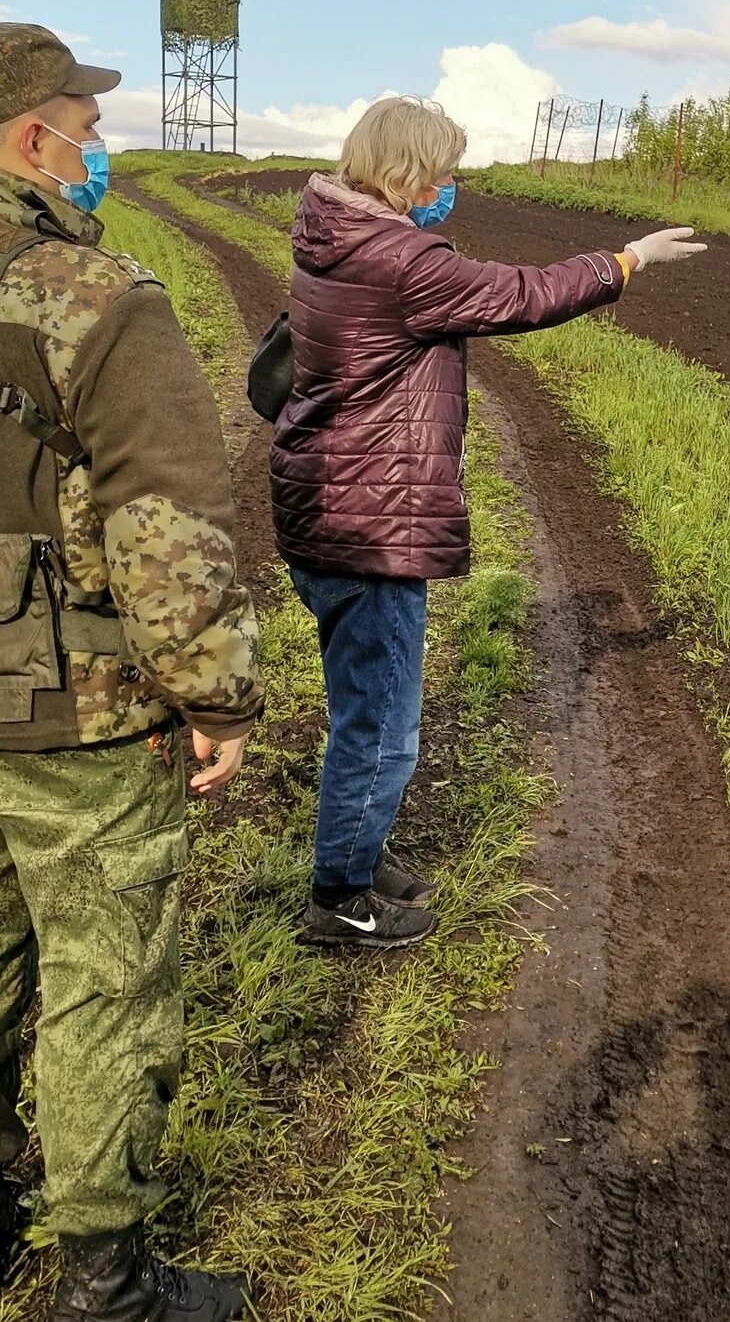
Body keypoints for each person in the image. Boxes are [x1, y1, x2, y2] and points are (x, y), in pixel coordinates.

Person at [0, 24, 263, 1320]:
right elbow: (172, 529)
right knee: (105, 984)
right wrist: (219, 699)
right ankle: (107, 1283)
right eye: (88, 124)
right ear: (34, 138)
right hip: (72, 722)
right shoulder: (95, 298)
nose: (100, 148)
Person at [270, 96, 705, 950]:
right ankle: (340, 899)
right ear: (411, 173)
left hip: (323, 505)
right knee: (384, 728)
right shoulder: (397, 258)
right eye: (445, 173)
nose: (452, 189)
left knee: (361, 705)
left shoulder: (332, 237)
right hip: (370, 526)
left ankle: (353, 850)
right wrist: (627, 259)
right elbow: (524, 294)